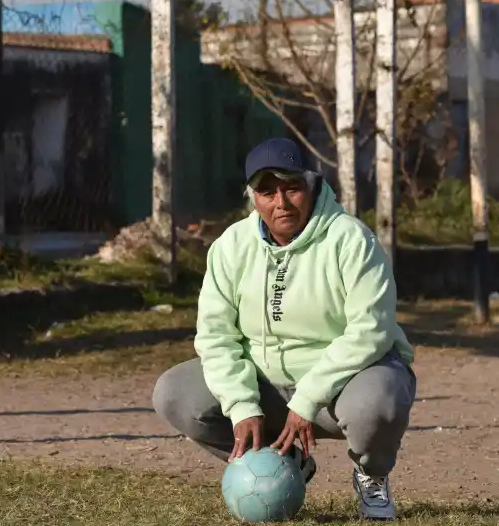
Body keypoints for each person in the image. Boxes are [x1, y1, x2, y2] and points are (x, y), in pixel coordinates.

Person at [152, 137, 415, 520]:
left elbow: (371, 330)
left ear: (312, 184)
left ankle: (371, 475)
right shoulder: (230, 247)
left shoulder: (352, 240)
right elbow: (216, 336)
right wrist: (242, 405)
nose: (281, 202)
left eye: (292, 188)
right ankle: (283, 460)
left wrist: (307, 399)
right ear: (252, 197)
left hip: (342, 386)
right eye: (267, 192)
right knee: (174, 393)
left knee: (377, 403)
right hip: (267, 386)